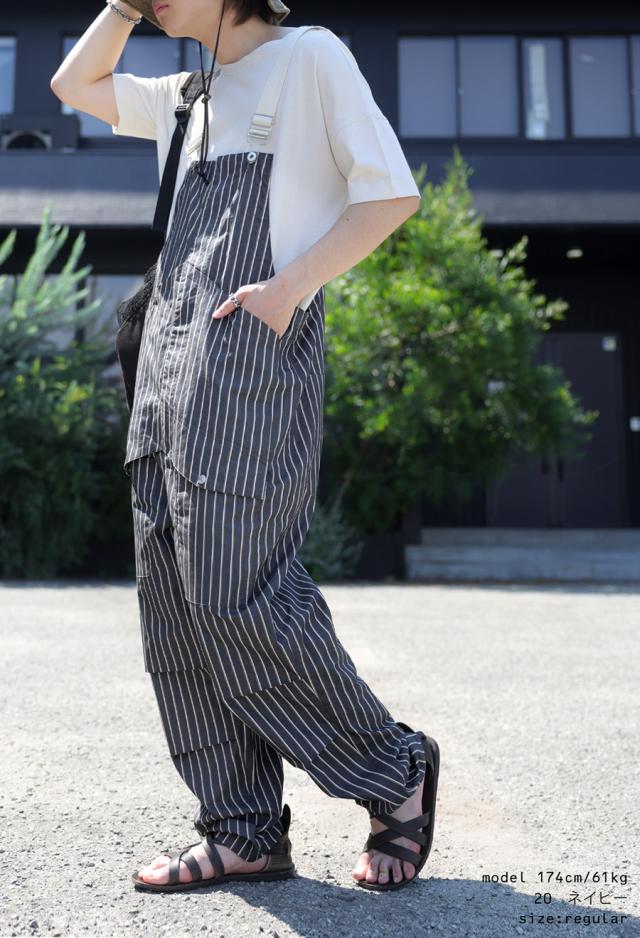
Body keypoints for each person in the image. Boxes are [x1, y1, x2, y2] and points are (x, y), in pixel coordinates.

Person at [50, 0, 440, 894]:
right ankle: (242, 827)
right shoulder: (186, 94)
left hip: (254, 362)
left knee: (238, 588)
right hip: (166, 366)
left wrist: (288, 289)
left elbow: (391, 193)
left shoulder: (309, 58)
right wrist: (123, 8)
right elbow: (73, 83)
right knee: (174, 608)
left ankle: (395, 769)